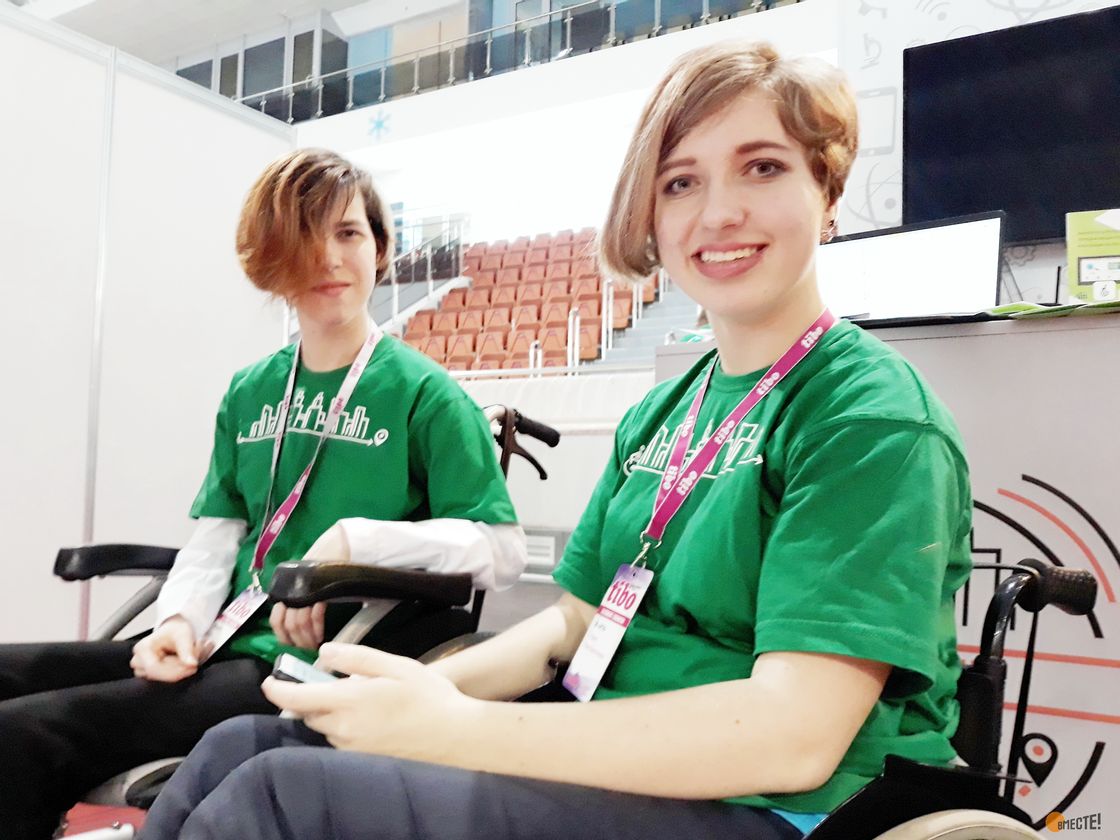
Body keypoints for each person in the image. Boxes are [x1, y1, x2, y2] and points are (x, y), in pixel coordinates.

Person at [141, 42, 971, 840]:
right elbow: (572, 625)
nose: (719, 212)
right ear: (652, 216)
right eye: (681, 182)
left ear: (827, 188)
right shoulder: (665, 411)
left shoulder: (869, 416)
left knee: (282, 798)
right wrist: (413, 695)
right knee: (241, 746)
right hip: (620, 761)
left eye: (763, 167)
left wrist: (456, 730)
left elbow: (793, 736)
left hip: (780, 806)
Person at [0, 148, 525, 840]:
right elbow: (219, 533)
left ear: (379, 248)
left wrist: (352, 544)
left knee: (25, 734)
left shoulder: (426, 396)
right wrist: (177, 623)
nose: (329, 258)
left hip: (306, 664)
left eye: (348, 233)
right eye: (305, 238)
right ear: (272, 257)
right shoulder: (251, 391)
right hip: (221, 635)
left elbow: (501, 550)